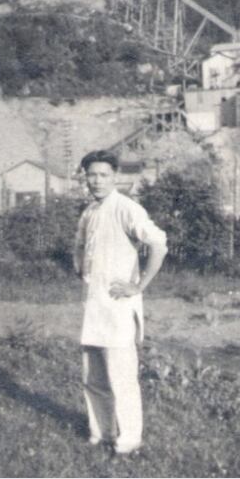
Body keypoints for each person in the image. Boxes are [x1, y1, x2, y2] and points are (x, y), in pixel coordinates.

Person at [72, 149, 167, 455]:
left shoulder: (127, 208)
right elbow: (80, 250)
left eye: (103, 175)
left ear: (115, 177)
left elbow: (159, 244)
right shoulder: (89, 212)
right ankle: (100, 432)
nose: (97, 181)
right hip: (93, 306)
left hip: (118, 307)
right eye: (91, 174)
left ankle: (128, 440)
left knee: (122, 377)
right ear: (84, 177)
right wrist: (82, 270)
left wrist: (138, 286)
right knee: (93, 376)